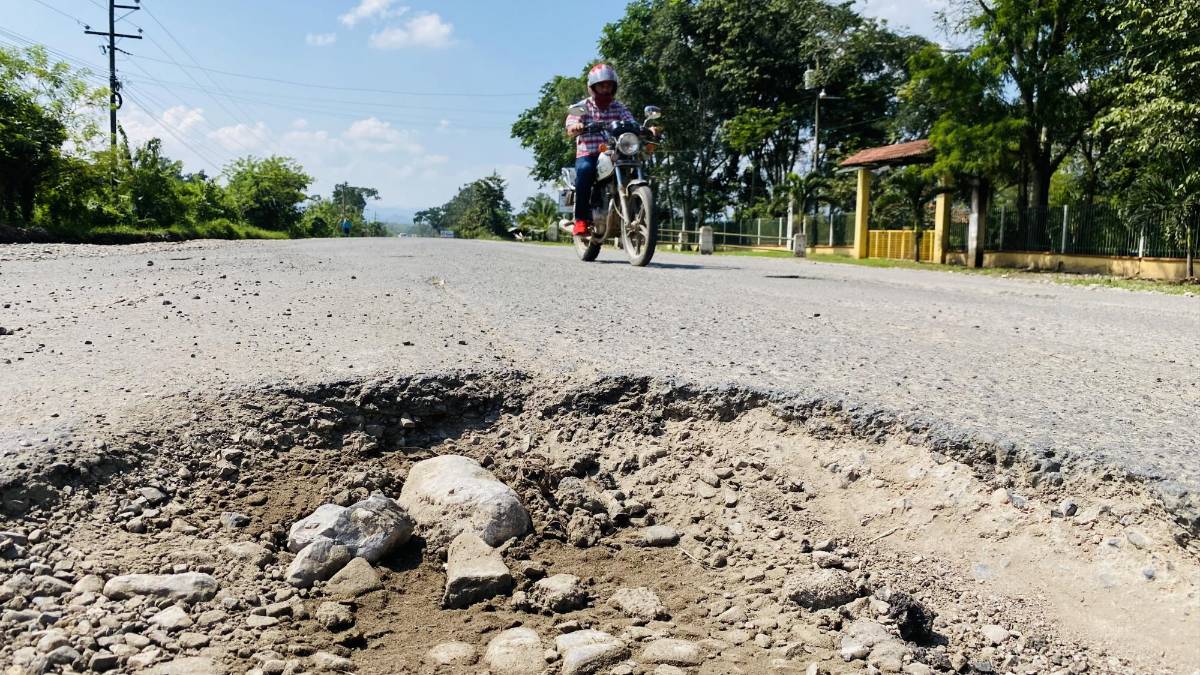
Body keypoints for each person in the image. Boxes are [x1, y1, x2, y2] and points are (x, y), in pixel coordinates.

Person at [565, 63, 639, 237]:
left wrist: (644, 129)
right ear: (593, 87)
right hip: (589, 153)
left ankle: (637, 212)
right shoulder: (583, 106)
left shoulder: (619, 107)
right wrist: (575, 126)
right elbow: (570, 123)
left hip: (613, 153)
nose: (606, 89)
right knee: (585, 171)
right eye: (602, 85)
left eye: (609, 85)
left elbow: (631, 121)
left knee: (634, 168)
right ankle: (581, 219)